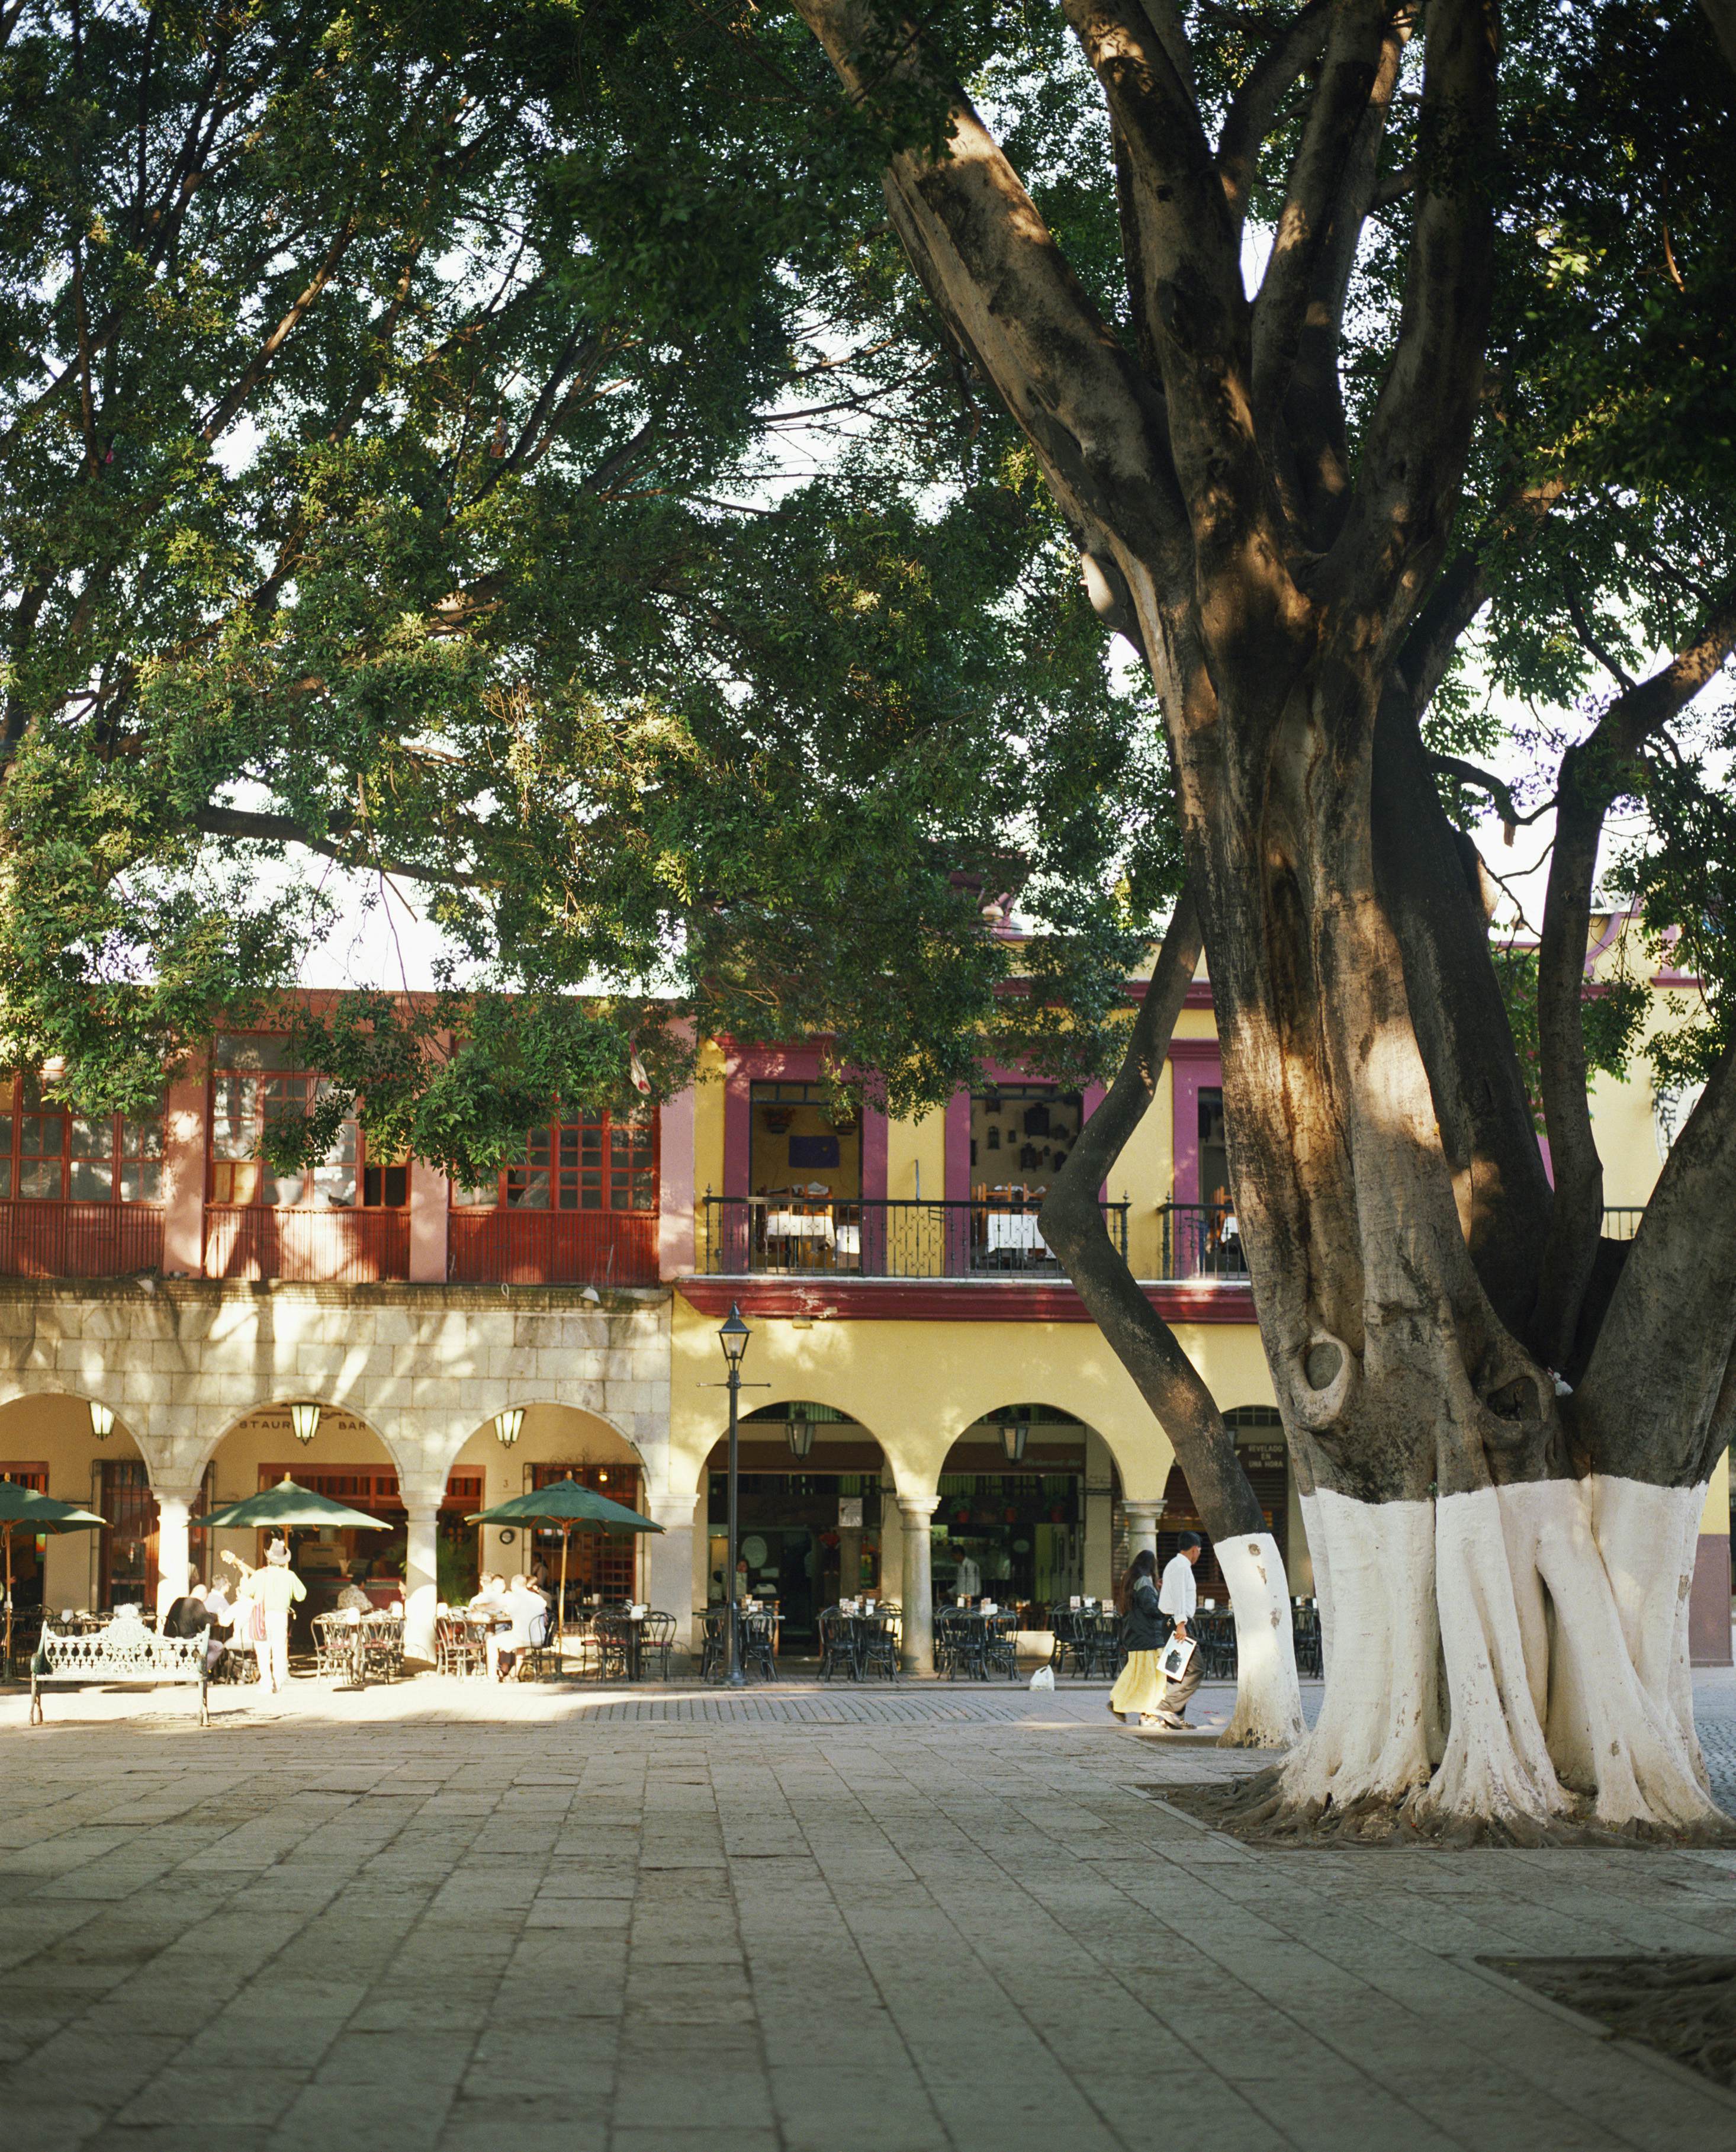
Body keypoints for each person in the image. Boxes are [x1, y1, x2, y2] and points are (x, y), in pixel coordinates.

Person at [1108, 1550, 1168, 1724]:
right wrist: (1165, 1608)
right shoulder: (1144, 1581)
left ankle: (1121, 1704)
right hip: (1148, 1636)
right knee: (1153, 1678)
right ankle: (1146, 1713)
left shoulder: (1130, 1580)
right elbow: (1151, 1608)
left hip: (1135, 1635)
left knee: (1136, 1674)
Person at [1155, 1532, 1205, 1728]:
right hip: (1176, 1623)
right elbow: (1179, 1598)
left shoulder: (1175, 1565)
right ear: (1195, 1549)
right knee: (1197, 1668)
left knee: (1178, 1671)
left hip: (1174, 1621)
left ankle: (1174, 1719)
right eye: (1199, 1552)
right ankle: (1167, 1707)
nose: (1199, 1555)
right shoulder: (1180, 1567)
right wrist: (1181, 1624)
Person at [247, 1537, 306, 1693]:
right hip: (281, 1616)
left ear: (269, 1558)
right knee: (279, 1650)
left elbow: (247, 1592)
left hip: (263, 1616)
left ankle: (267, 1683)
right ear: (283, 1560)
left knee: (263, 1650)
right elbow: (301, 1595)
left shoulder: (260, 1574)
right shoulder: (290, 1575)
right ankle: (279, 1683)